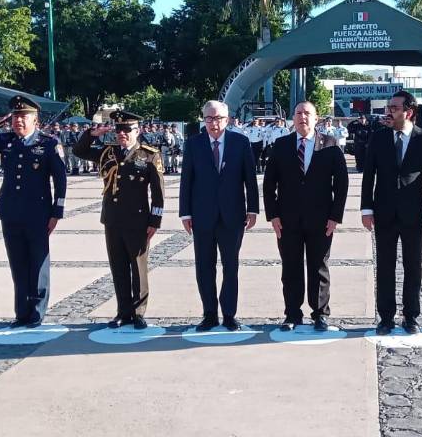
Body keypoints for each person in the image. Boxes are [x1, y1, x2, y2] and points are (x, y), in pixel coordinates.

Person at [0, 95, 67, 328]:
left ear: (35, 120)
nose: (18, 121)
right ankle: (21, 311)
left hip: (38, 213)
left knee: (37, 262)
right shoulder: (6, 141)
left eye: (23, 117)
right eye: (15, 117)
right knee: (18, 263)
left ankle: (37, 310)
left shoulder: (48, 143)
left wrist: (57, 211)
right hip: (10, 212)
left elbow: (60, 179)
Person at [73, 110, 163, 329]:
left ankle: (139, 311)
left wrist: (155, 221)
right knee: (118, 267)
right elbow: (79, 150)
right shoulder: (108, 152)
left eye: (127, 130)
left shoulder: (149, 155)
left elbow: (158, 193)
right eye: (118, 130)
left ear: (137, 131)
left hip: (138, 220)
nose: (122, 134)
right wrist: (93, 133)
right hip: (112, 219)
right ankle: (123, 311)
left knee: (138, 267)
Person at [361, 91, 422, 335]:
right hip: (383, 212)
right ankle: (385, 317)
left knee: (412, 266)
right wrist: (366, 208)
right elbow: (368, 175)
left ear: (409, 112)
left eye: (394, 108)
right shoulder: (379, 137)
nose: (389, 111)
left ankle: (411, 316)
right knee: (384, 266)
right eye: (389, 107)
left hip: (414, 214)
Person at [263, 102, 348, 332]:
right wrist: (273, 215)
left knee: (319, 266)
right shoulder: (281, 145)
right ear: (293, 117)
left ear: (316, 118)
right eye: (299, 113)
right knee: (290, 267)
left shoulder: (330, 145)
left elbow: (341, 184)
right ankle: (292, 313)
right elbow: (269, 184)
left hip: (321, 219)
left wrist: (335, 216)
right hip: (287, 219)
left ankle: (320, 313)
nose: (303, 117)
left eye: (307, 113)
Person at [179, 100, 259, 332]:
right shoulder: (194, 144)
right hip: (202, 215)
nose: (214, 123)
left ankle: (229, 314)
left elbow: (250, 180)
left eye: (218, 118)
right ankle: (209, 314)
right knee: (204, 267)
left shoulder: (240, 142)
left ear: (228, 120)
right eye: (209, 119)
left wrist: (252, 209)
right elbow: (187, 180)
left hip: (233, 216)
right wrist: (185, 212)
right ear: (203, 120)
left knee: (230, 266)